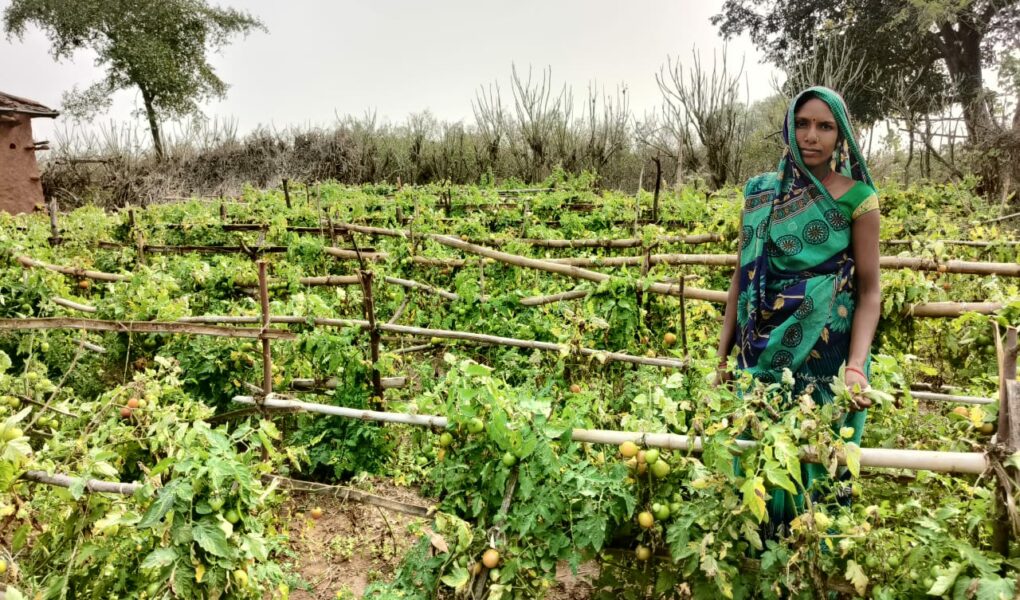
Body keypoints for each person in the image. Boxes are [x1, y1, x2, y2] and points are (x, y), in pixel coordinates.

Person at [713, 86, 881, 530]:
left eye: (825, 127)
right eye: (802, 124)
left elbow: (869, 292)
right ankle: (760, 551)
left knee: (818, 456)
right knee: (759, 456)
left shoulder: (858, 199)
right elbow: (742, 275)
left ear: (841, 135)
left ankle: (813, 555)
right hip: (762, 345)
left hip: (827, 353)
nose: (811, 136)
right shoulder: (760, 193)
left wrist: (856, 366)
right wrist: (722, 357)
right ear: (789, 128)